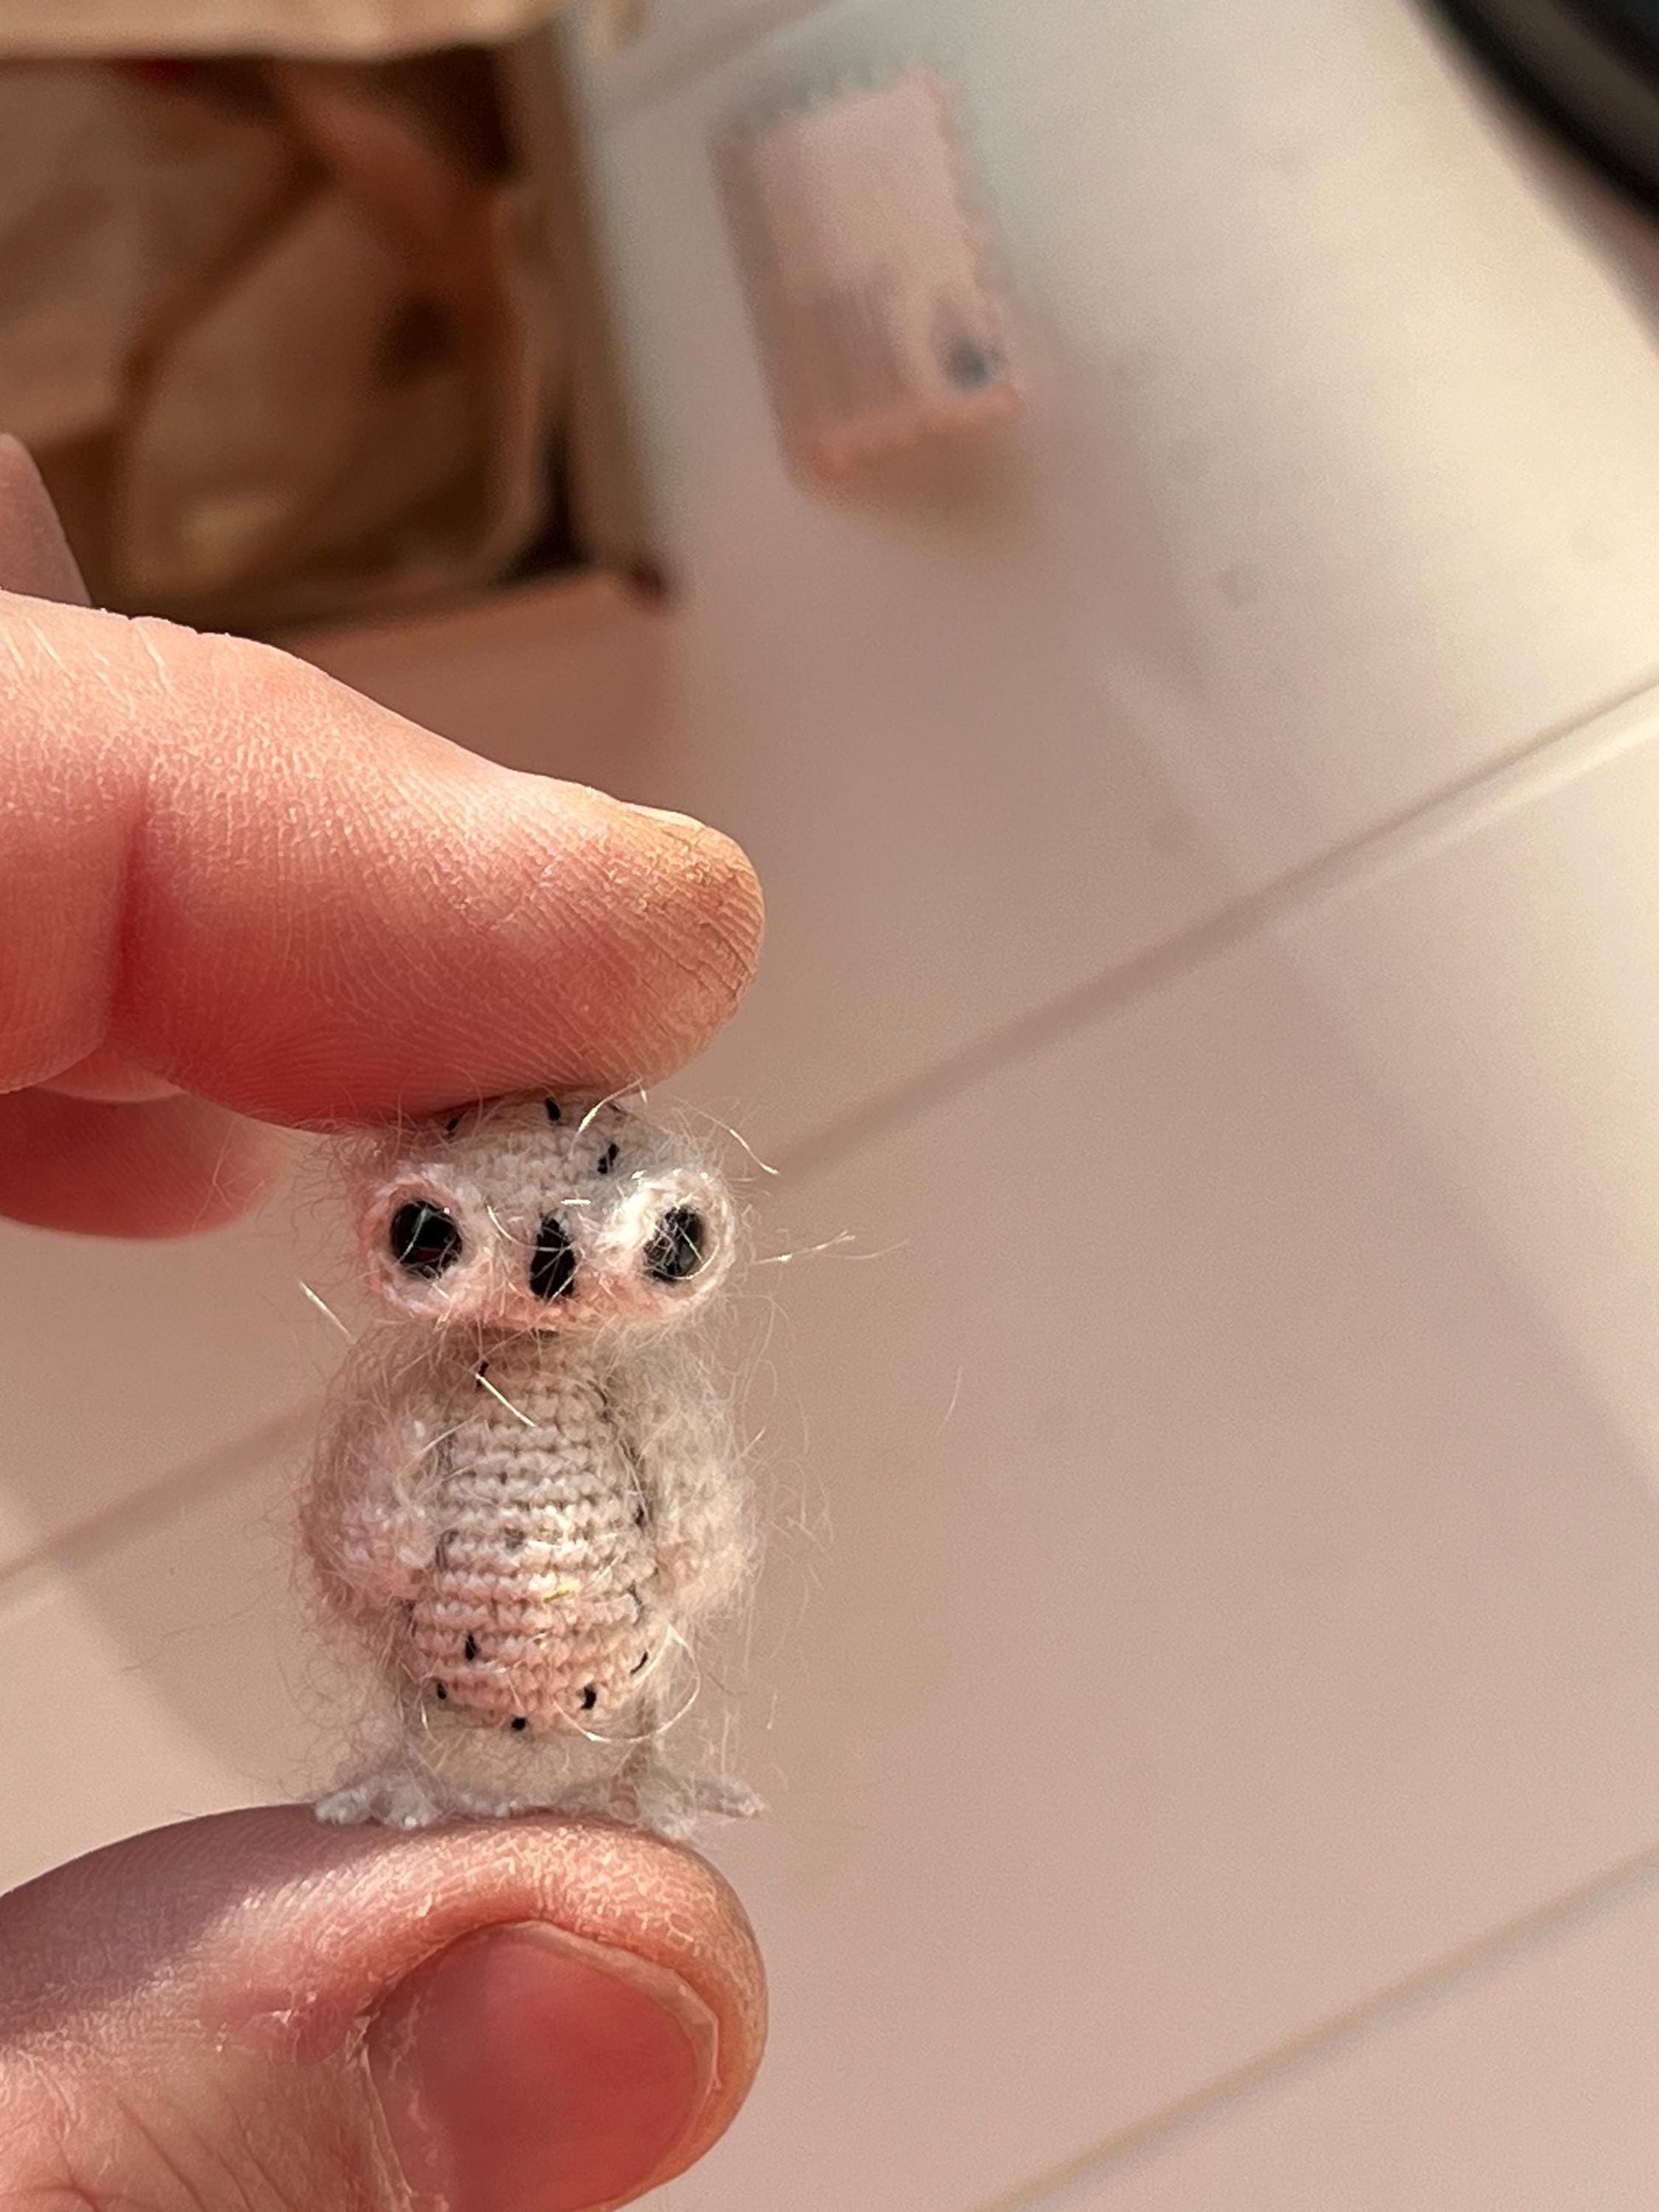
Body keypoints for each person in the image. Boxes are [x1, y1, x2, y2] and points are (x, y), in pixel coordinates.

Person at [0, 439, 766, 2212]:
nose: (558, 1279)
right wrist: (405, 1536)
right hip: (461, 1700)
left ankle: (627, 1769)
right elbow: (374, 1528)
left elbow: (691, 1516)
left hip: (597, 1688)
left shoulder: (610, 1401)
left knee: (600, 1768)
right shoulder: (441, 1397)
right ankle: (464, 1784)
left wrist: (673, 1555)